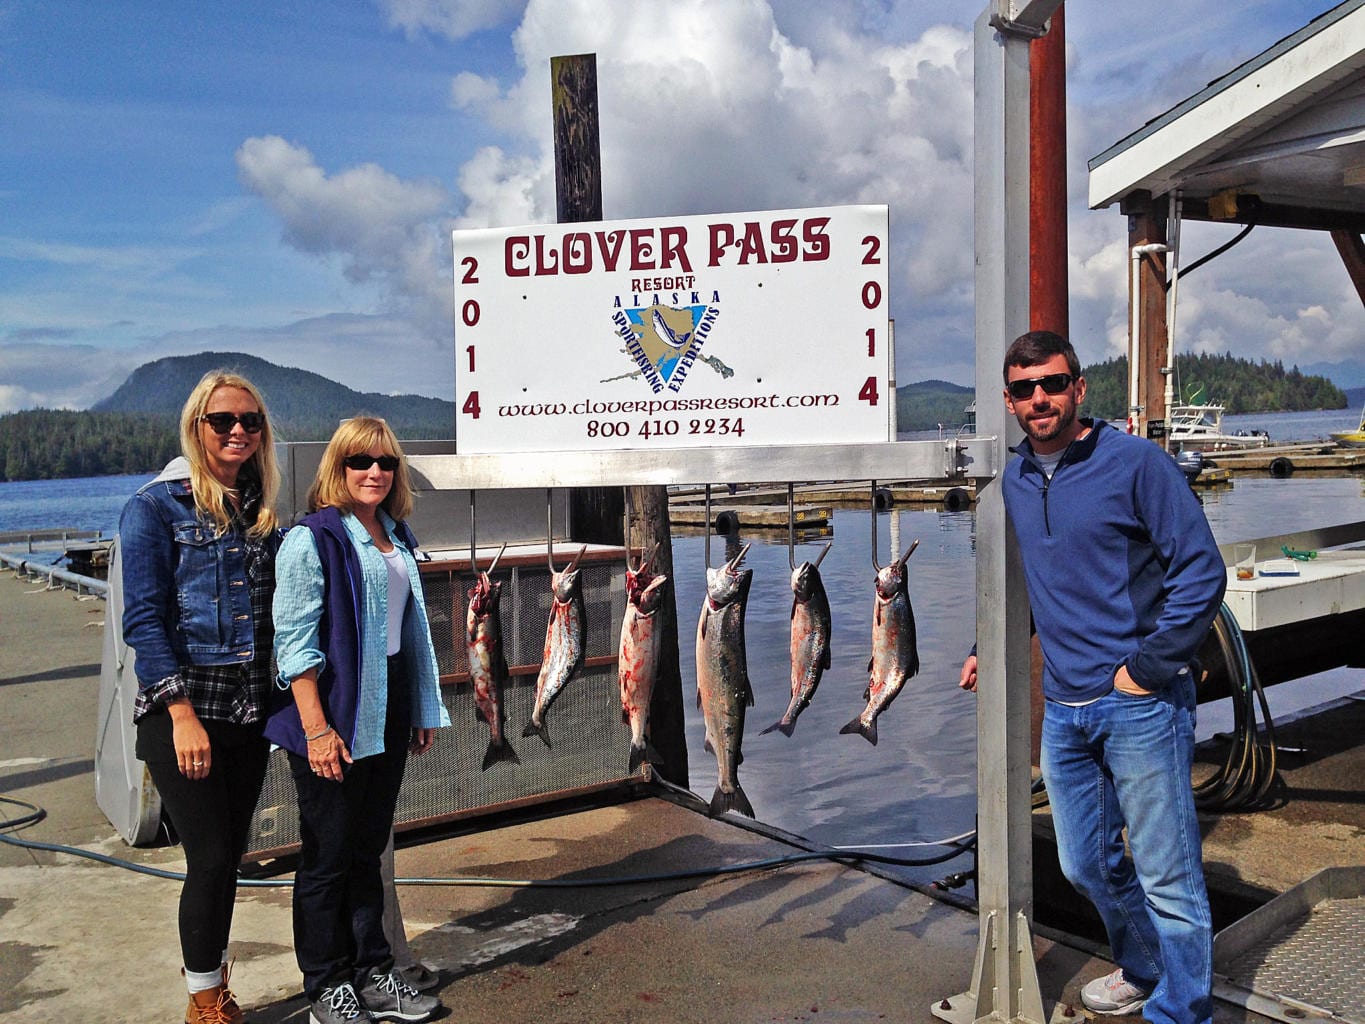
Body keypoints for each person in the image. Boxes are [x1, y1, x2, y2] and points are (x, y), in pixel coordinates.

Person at [958, 331, 1226, 1024]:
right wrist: (989, 642)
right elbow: (1026, 578)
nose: (1038, 398)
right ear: (1009, 400)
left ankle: (1180, 1009)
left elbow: (1200, 571)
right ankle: (1142, 968)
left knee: (1167, 874)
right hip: (1064, 706)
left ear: (1078, 387)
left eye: (1051, 383)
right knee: (1084, 865)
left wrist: (1147, 667)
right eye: (1023, 389)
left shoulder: (1136, 463)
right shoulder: (1013, 477)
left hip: (1138, 703)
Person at [266, 417, 450, 1024]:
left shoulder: (396, 533)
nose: (374, 472)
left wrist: (420, 706)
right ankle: (326, 984)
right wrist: (316, 730)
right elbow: (294, 646)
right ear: (337, 469)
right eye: (360, 461)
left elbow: (408, 633)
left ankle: (373, 972)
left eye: (386, 463)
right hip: (335, 709)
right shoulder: (310, 539)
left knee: (368, 847)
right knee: (328, 855)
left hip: (389, 702)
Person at [118, 370, 281, 1024]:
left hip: (246, 715)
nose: (237, 430)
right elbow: (144, 622)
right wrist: (181, 714)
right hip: (183, 716)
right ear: (197, 428)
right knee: (209, 858)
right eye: (222, 421)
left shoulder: (259, 506)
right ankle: (203, 1005)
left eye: (249, 421)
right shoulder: (154, 507)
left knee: (228, 861)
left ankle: (214, 992)